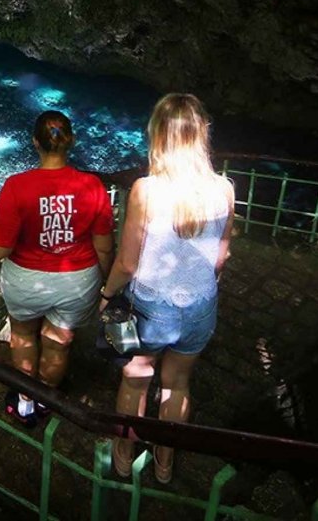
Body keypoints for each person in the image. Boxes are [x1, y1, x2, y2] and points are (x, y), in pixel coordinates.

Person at [99, 93, 234, 482]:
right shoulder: (225, 189)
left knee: (136, 375)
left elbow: (127, 263)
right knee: (178, 383)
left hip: (151, 309)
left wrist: (107, 297)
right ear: (201, 135)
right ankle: (164, 460)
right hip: (200, 308)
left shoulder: (146, 190)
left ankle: (124, 454)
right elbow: (221, 259)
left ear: (158, 136)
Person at [0, 109, 115, 426]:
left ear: (34, 143)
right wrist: (102, 283)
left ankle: (26, 402)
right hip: (77, 279)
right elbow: (104, 247)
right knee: (58, 343)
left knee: (24, 337)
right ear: (70, 140)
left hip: (26, 281)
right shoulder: (93, 186)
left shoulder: (17, 186)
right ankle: (47, 399)